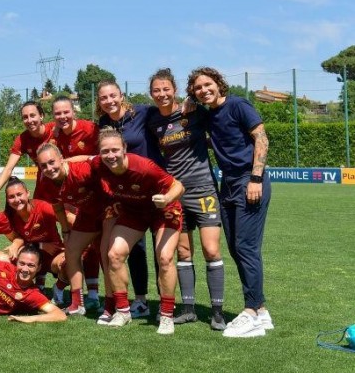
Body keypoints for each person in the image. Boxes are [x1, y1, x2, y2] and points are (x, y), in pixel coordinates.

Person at [187, 66, 272, 338]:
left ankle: (250, 311)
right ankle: (260, 310)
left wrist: (256, 179)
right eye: (198, 88)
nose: (204, 90)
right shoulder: (209, 115)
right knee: (237, 249)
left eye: (207, 84)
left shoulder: (237, 105)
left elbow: (261, 138)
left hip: (249, 179)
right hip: (227, 184)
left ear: (218, 83)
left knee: (246, 247)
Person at [147, 68, 226, 330]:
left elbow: (217, 116)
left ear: (175, 90)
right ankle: (189, 309)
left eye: (166, 89)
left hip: (204, 189)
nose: (162, 94)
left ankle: (217, 312)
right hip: (175, 193)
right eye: (157, 90)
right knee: (183, 251)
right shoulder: (152, 121)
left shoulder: (193, 112)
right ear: (151, 94)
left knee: (211, 249)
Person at [93, 127, 185, 335]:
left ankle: (167, 315)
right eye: (105, 151)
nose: (110, 155)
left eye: (115, 150)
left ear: (124, 148)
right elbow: (81, 160)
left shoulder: (144, 167)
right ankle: (123, 311)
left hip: (164, 210)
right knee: (114, 255)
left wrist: (167, 199)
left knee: (165, 258)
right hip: (134, 212)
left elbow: (178, 186)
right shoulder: (98, 164)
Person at [97, 80, 161, 318]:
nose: (109, 101)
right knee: (135, 248)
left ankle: (166, 304)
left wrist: (188, 105)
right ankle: (141, 301)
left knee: (160, 249)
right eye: (103, 98)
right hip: (126, 192)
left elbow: (169, 112)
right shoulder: (103, 123)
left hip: (154, 188)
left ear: (121, 95)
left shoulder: (142, 112)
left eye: (113, 96)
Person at [34, 142, 106, 317]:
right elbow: (58, 207)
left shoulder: (81, 170)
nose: (49, 168)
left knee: (108, 255)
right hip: (87, 216)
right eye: (44, 165)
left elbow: (97, 159)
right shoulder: (46, 181)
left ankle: (115, 304)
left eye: (52, 162)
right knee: (72, 251)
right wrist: (65, 231)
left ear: (61, 159)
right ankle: (77, 303)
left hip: (107, 213)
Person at [0, 177, 68, 301]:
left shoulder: (42, 207)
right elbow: (18, 241)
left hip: (53, 255)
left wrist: (72, 236)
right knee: (3, 259)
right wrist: (41, 245)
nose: (17, 199)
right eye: (11, 197)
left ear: (28, 193)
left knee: (70, 262)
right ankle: (24, 289)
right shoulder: (8, 217)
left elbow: (69, 218)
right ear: (8, 200)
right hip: (30, 258)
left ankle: (58, 287)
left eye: (19, 194)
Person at [0, 101, 56, 207]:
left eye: (32, 115)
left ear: (41, 116)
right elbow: (8, 168)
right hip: (44, 183)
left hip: (65, 180)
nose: (29, 120)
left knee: (70, 217)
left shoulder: (56, 129)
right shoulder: (22, 139)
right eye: (25, 117)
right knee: (40, 217)